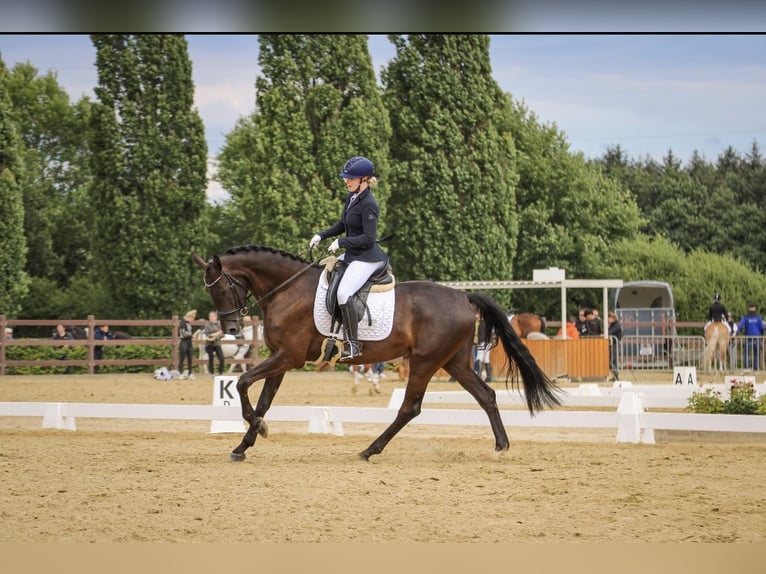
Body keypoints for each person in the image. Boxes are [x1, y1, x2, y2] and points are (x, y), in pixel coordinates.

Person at [308, 156, 388, 361]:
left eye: (351, 179)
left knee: (344, 293)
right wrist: (322, 235)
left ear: (364, 179)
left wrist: (342, 243)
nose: (347, 181)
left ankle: (354, 345)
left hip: (367, 258)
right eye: (346, 178)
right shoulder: (352, 197)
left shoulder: (369, 204)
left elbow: (369, 239)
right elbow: (343, 225)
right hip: (354, 254)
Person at [737, 302, 764, 371]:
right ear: (755, 308)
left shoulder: (745, 317)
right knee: (756, 353)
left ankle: (746, 368)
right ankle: (755, 368)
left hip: (748, 338)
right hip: (757, 338)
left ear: (749, 308)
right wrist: (762, 336)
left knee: (746, 353)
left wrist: (737, 334)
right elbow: (762, 327)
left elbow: (739, 326)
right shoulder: (758, 317)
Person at [203, 310, 225, 375]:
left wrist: (215, 336)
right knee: (211, 359)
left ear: (216, 317)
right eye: (210, 316)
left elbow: (223, 334)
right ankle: (211, 373)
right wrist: (217, 333)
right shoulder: (207, 325)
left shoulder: (219, 324)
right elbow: (208, 335)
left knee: (221, 359)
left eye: (212, 316)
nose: (211, 318)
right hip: (209, 344)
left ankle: (220, 373)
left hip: (217, 344)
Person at [177, 309, 197, 379]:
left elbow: (188, 333)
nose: (193, 320)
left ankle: (190, 373)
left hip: (189, 342)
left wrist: (191, 337)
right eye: (193, 318)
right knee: (182, 358)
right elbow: (182, 334)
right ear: (190, 317)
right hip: (184, 342)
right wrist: (192, 336)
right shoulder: (182, 323)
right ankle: (180, 373)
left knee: (190, 359)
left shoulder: (188, 323)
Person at [607, 311, 623, 380]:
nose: (608, 319)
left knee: (610, 362)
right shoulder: (611, 325)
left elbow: (610, 332)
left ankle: (616, 373)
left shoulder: (616, 325)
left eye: (609, 318)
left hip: (615, 344)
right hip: (612, 344)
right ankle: (615, 377)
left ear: (613, 318)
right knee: (614, 362)